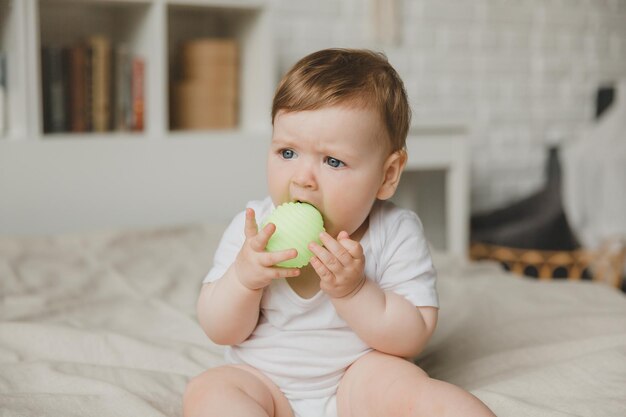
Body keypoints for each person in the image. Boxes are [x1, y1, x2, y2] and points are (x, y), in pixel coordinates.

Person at [184, 48, 496, 417]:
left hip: (358, 382)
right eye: (287, 153)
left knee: (415, 390)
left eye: (333, 161)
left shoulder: (395, 232)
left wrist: (356, 291)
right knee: (209, 391)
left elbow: (413, 335)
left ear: (388, 175)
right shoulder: (252, 230)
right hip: (263, 380)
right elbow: (220, 329)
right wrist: (244, 278)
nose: (303, 178)